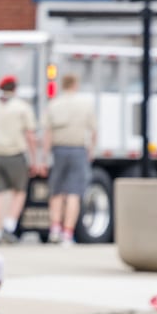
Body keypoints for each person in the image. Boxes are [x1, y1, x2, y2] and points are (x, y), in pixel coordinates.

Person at [0, 75, 41, 243]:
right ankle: (9, 225)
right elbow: (30, 135)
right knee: (19, 191)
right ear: (15, 88)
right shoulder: (22, 107)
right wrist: (34, 159)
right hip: (15, 155)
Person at [44, 74, 97, 246]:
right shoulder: (85, 105)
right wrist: (91, 150)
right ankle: (67, 233)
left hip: (58, 150)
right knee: (74, 193)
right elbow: (94, 130)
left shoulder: (54, 104)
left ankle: (54, 229)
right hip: (78, 149)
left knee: (56, 192)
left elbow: (48, 132)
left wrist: (44, 155)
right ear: (75, 84)